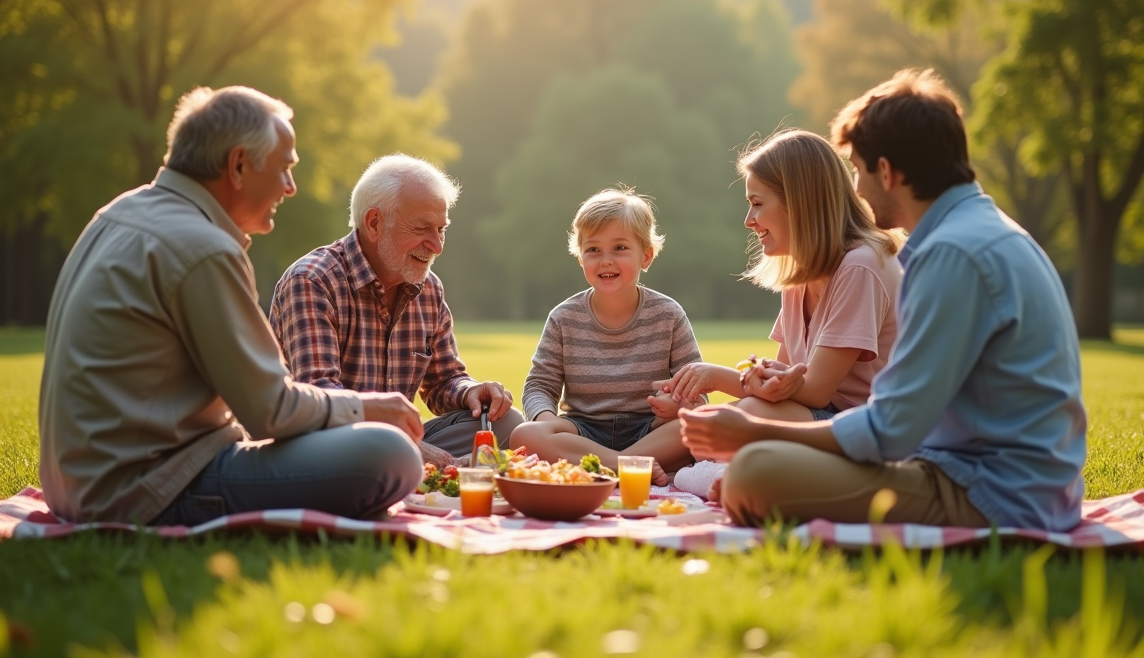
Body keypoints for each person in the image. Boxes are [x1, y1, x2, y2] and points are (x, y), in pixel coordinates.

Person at [680, 69, 1088, 531]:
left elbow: (891, 428)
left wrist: (755, 433)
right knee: (761, 458)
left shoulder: (952, 255)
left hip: (993, 490)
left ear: (887, 172)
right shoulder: (981, 233)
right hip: (997, 476)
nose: (854, 189)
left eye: (857, 170)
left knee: (756, 471)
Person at [39, 87, 425, 526]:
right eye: (284, 169)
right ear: (238, 165)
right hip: (148, 488)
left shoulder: (118, 214)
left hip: (78, 484)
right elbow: (271, 411)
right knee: (391, 454)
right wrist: (372, 408)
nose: (291, 187)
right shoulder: (201, 246)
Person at [270, 154, 523, 468]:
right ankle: (431, 467)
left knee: (507, 422)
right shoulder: (312, 281)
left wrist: (472, 392)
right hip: (327, 446)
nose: (437, 245)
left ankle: (429, 468)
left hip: (400, 440)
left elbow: (444, 381)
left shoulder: (428, 288)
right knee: (393, 451)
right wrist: (409, 446)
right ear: (375, 223)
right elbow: (319, 396)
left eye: (441, 229)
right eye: (422, 228)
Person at [656, 129, 902, 427]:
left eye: (757, 203)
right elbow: (782, 387)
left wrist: (716, 377)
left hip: (866, 428)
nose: (748, 220)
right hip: (817, 417)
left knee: (744, 415)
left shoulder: (860, 267)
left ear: (800, 203)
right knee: (697, 418)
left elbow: (815, 392)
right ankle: (622, 462)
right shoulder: (801, 274)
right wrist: (753, 381)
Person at [510, 188, 703, 481]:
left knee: (697, 424)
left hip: (649, 431)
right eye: (593, 250)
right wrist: (546, 422)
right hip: (584, 433)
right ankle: (630, 467)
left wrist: (676, 405)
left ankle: (621, 464)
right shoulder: (564, 317)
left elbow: (696, 393)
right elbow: (539, 385)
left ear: (646, 256)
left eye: (620, 248)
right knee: (526, 434)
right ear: (580, 258)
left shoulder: (669, 315)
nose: (606, 260)